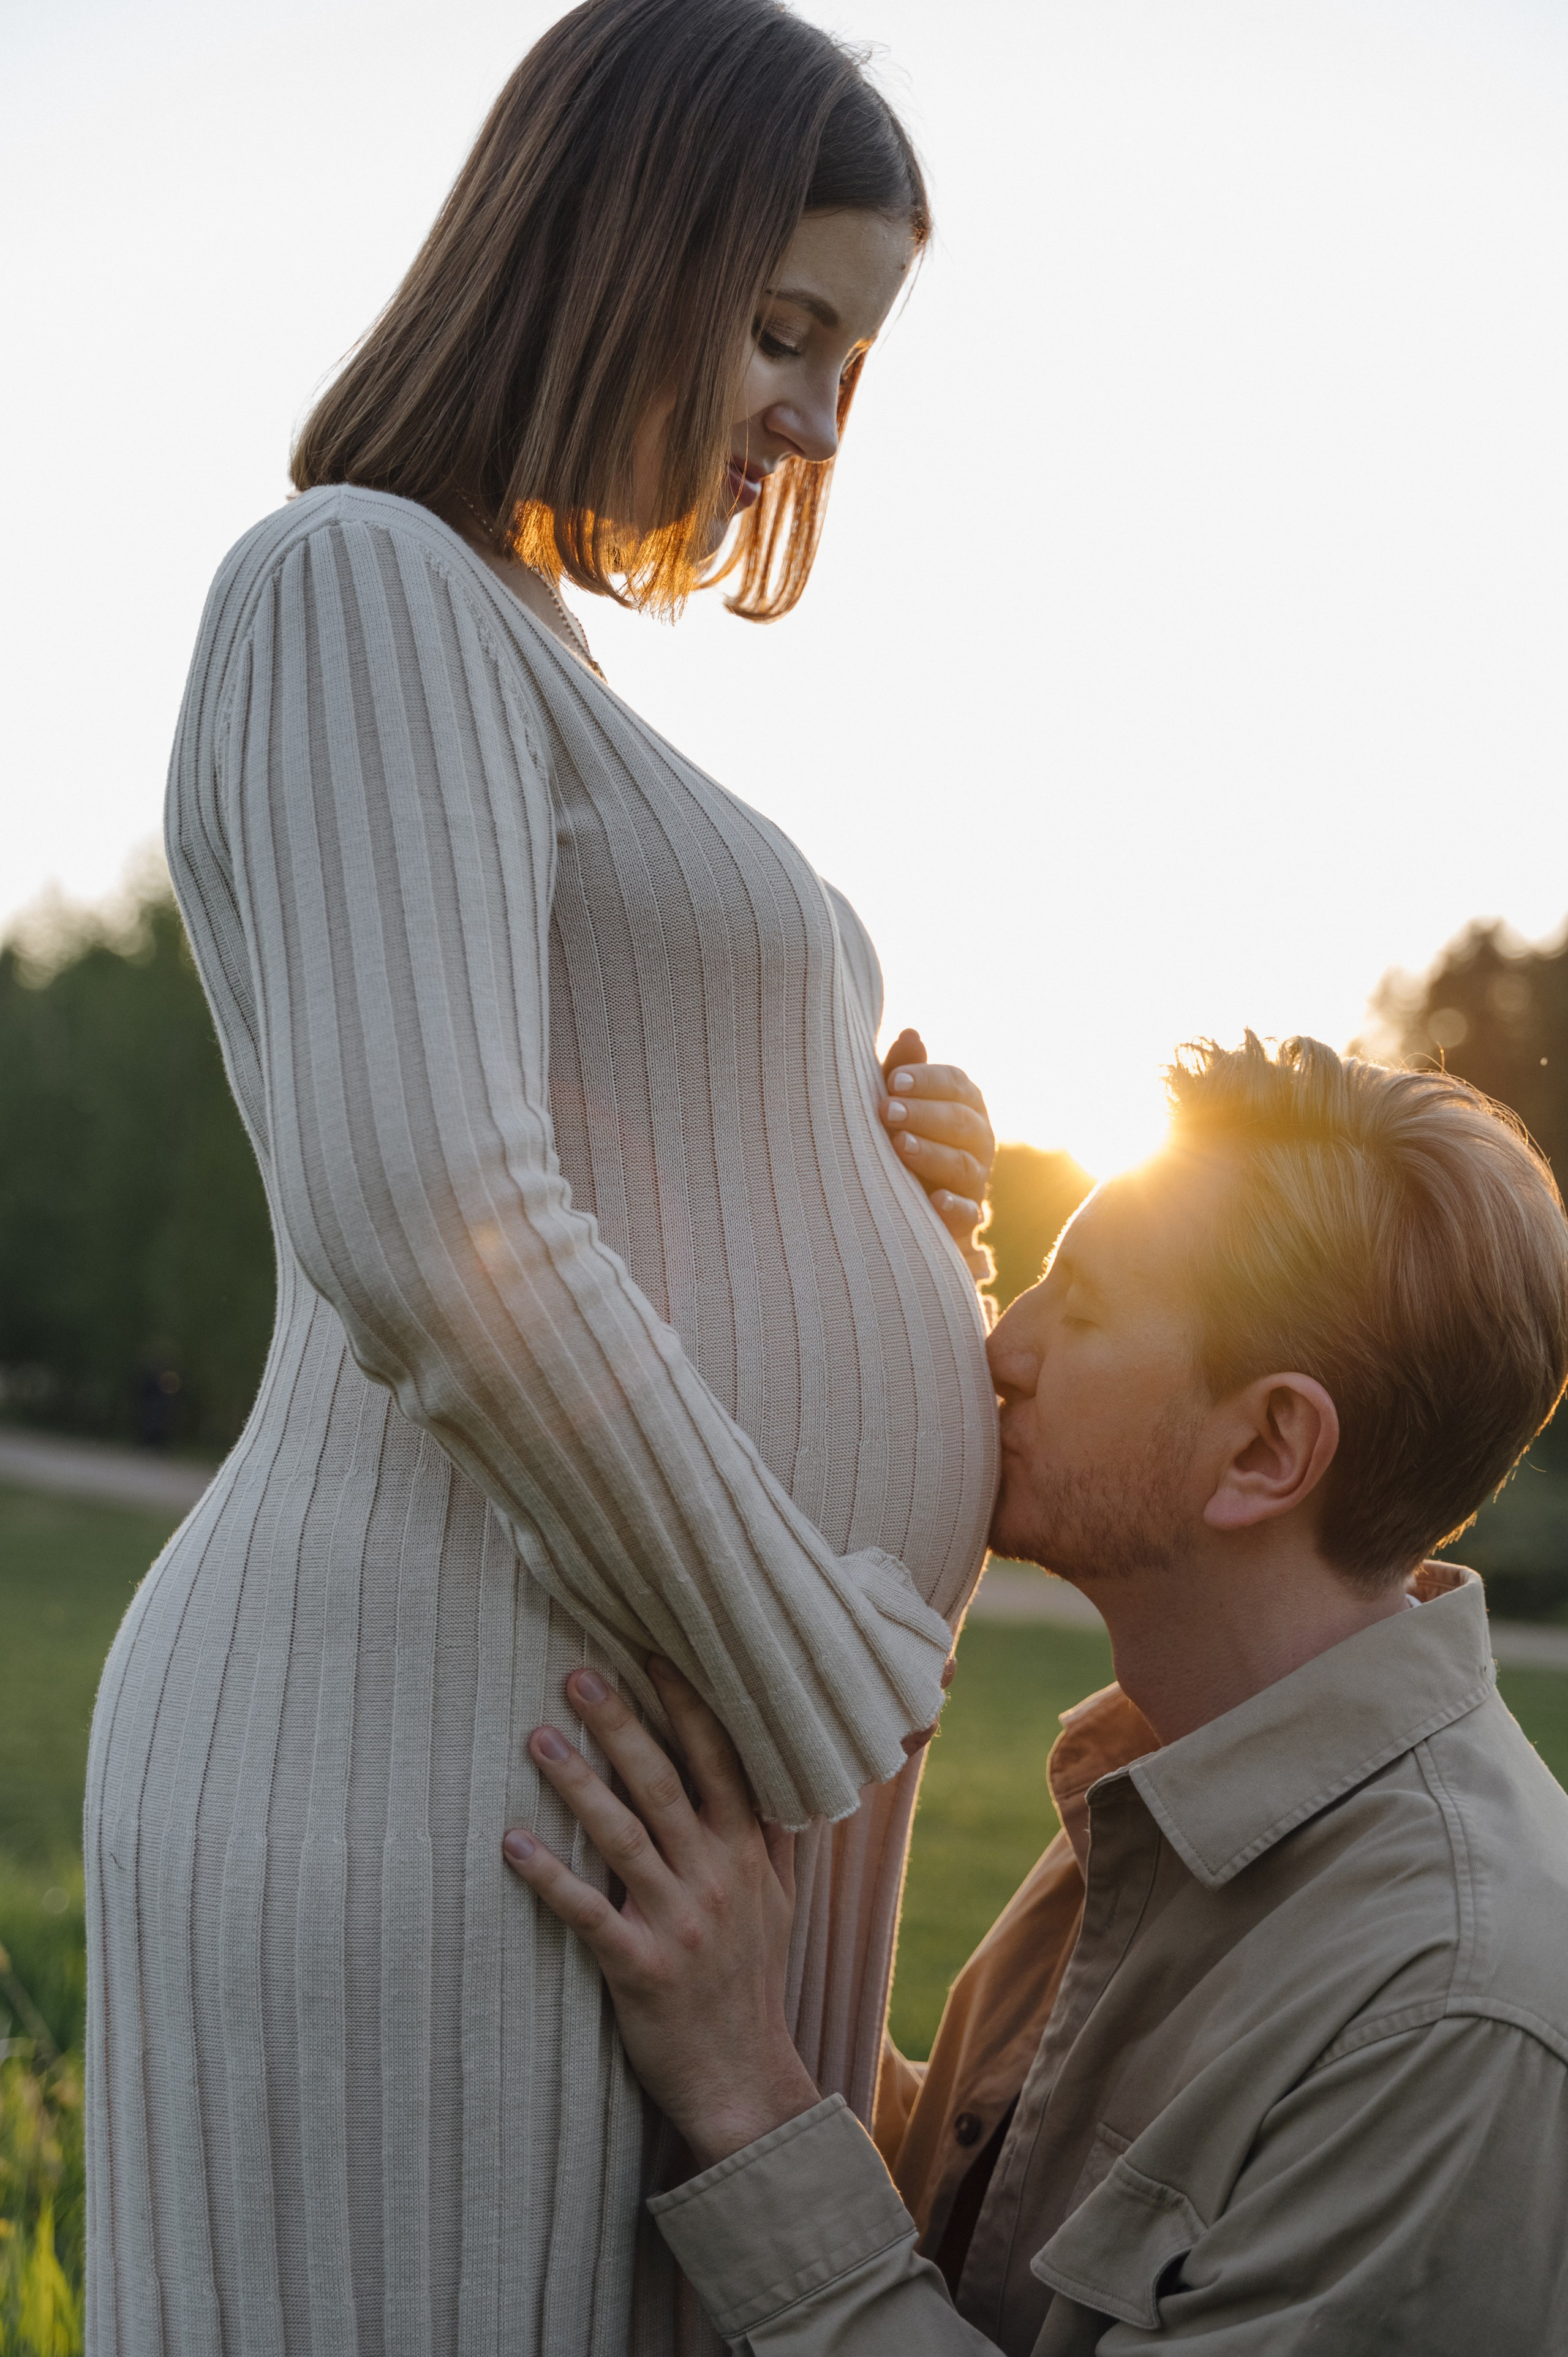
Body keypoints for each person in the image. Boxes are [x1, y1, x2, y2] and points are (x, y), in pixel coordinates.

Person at [84, 6, 1000, 2351]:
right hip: (439, 1761)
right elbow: (428, 1205)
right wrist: (828, 1692)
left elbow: (602, 1160)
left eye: (855, 361)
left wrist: (890, 1206)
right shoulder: (354, 581)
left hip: (596, 1778)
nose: (815, 414)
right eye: (783, 325)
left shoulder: (518, 643)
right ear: (616, 242)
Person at [505, 1034, 1568, 2353]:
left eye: (1085, 1300)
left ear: (1264, 1445)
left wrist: (753, 2100)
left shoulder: (1444, 2009)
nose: (1004, 1346)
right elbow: (987, 2240)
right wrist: (889, 1222)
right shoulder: (1179, 1769)